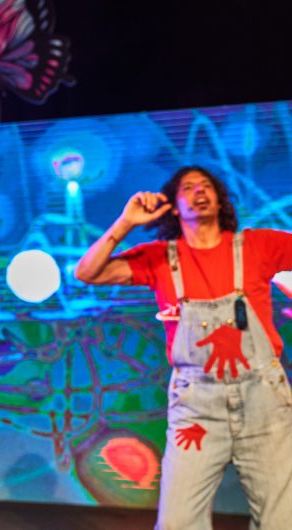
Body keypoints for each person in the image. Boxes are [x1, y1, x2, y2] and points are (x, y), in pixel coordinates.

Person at [74, 165, 292, 530]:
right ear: (174, 206)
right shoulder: (160, 257)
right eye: (188, 187)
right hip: (196, 411)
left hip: (263, 402)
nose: (199, 191)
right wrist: (126, 223)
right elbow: (87, 273)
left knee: (280, 521)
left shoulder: (258, 245)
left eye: (206, 186)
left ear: (219, 201)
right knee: (177, 522)